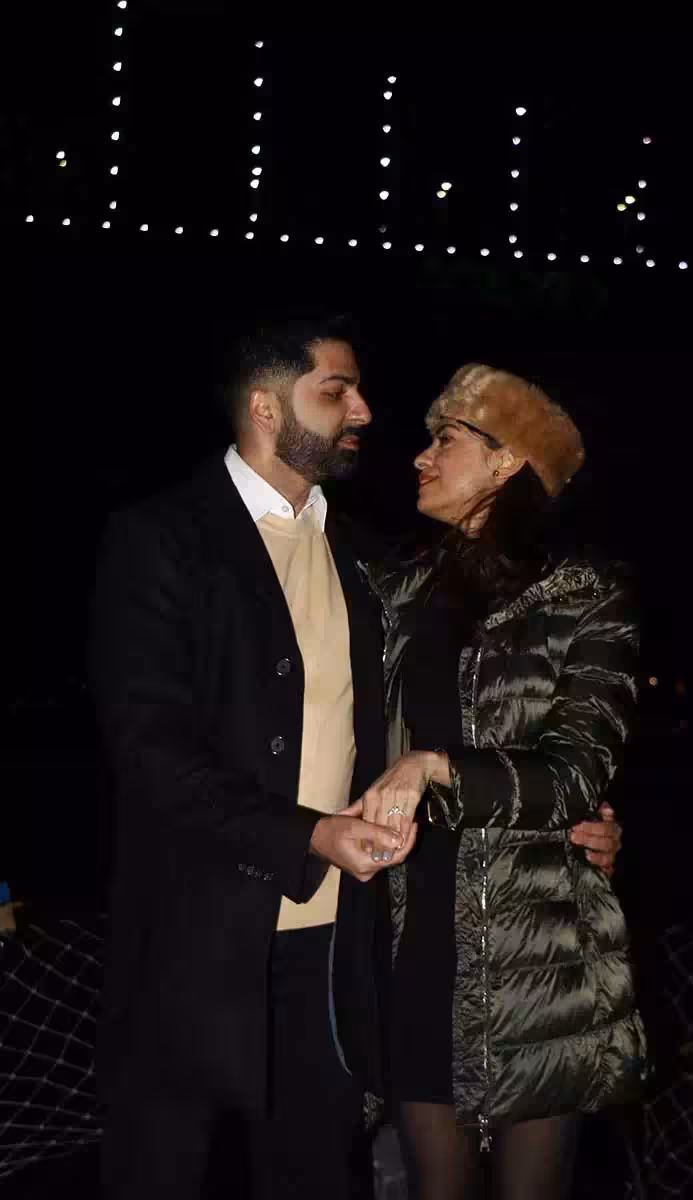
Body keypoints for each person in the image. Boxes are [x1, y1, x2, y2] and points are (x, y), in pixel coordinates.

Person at [91, 323, 623, 1199]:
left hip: (351, 952)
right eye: (338, 390)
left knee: (315, 1175)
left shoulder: (373, 561)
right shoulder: (163, 538)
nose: (367, 413)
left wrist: (579, 809)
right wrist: (311, 835)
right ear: (266, 405)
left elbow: (531, 734)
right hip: (198, 944)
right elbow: (149, 752)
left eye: (360, 391)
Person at [360, 364, 646, 1200]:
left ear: (507, 461)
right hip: (414, 938)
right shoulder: (393, 590)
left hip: (541, 955)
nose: (419, 457)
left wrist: (436, 766)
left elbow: (578, 771)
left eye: (445, 439)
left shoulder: (586, 597)